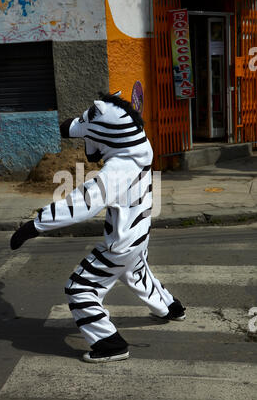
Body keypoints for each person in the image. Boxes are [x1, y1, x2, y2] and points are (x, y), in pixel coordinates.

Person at [10, 92, 186, 363]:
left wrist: (34, 225)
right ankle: (171, 308)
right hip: (138, 235)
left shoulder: (120, 168)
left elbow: (85, 202)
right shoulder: (140, 147)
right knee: (136, 272)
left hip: (122, 241)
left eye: (87, 129)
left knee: (79, 288)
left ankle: (109, 344)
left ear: (105, 131)